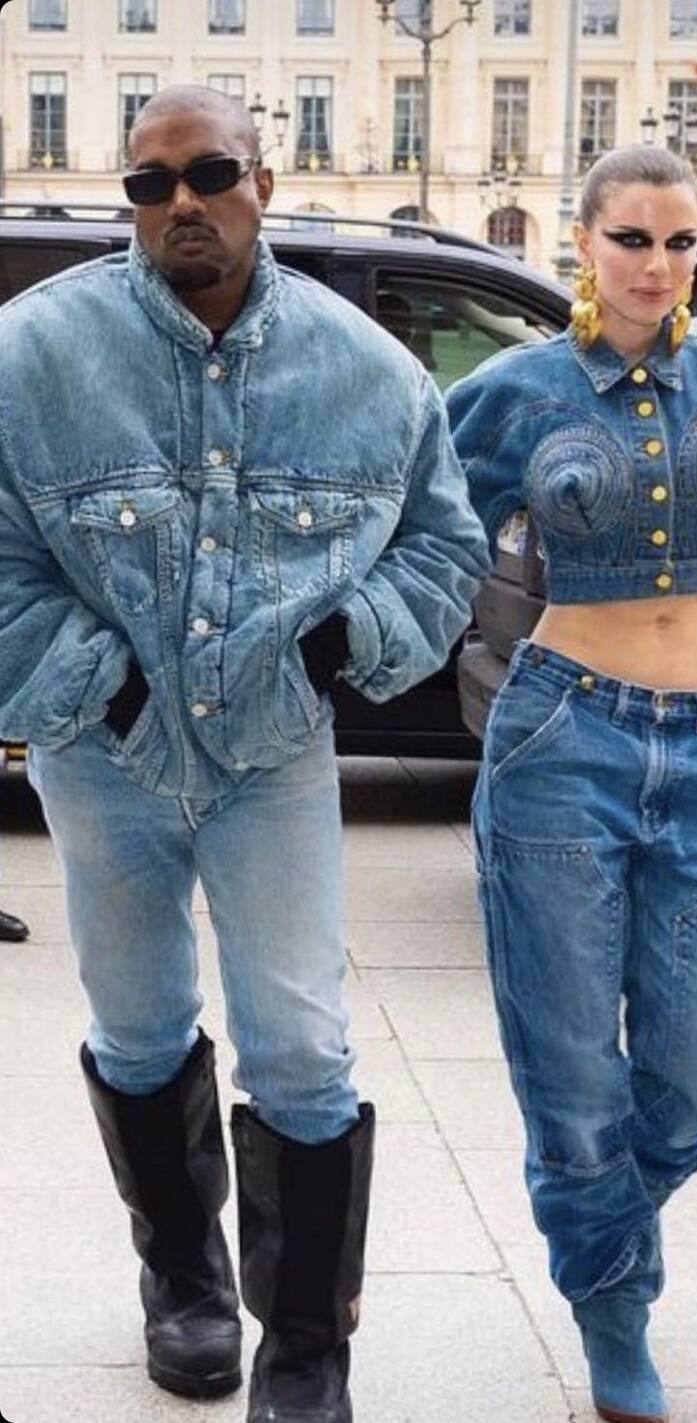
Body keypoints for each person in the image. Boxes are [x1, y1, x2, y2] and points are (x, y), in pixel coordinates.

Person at [0, 86, 489, 1423]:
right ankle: (183, 1277)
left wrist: (341, 645)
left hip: (274, 759)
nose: (181, 203)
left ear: (262, 183)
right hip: (100, 759)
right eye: (148, 183)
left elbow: (444, 547)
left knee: (304, 1047)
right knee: (137, 1022)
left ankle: (308, 1344)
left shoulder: (368, 371)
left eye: (209, 173)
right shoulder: (32, 354)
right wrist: (100, 687)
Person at [447, 144, 697, 1423]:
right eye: (632, 239)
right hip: (560, 740)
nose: (657, 266)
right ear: (582, 245)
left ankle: (599, 1232)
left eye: (680, 242)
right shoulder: (516, 389)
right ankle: (614, 1313)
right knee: (567, 1063)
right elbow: (423, 532)